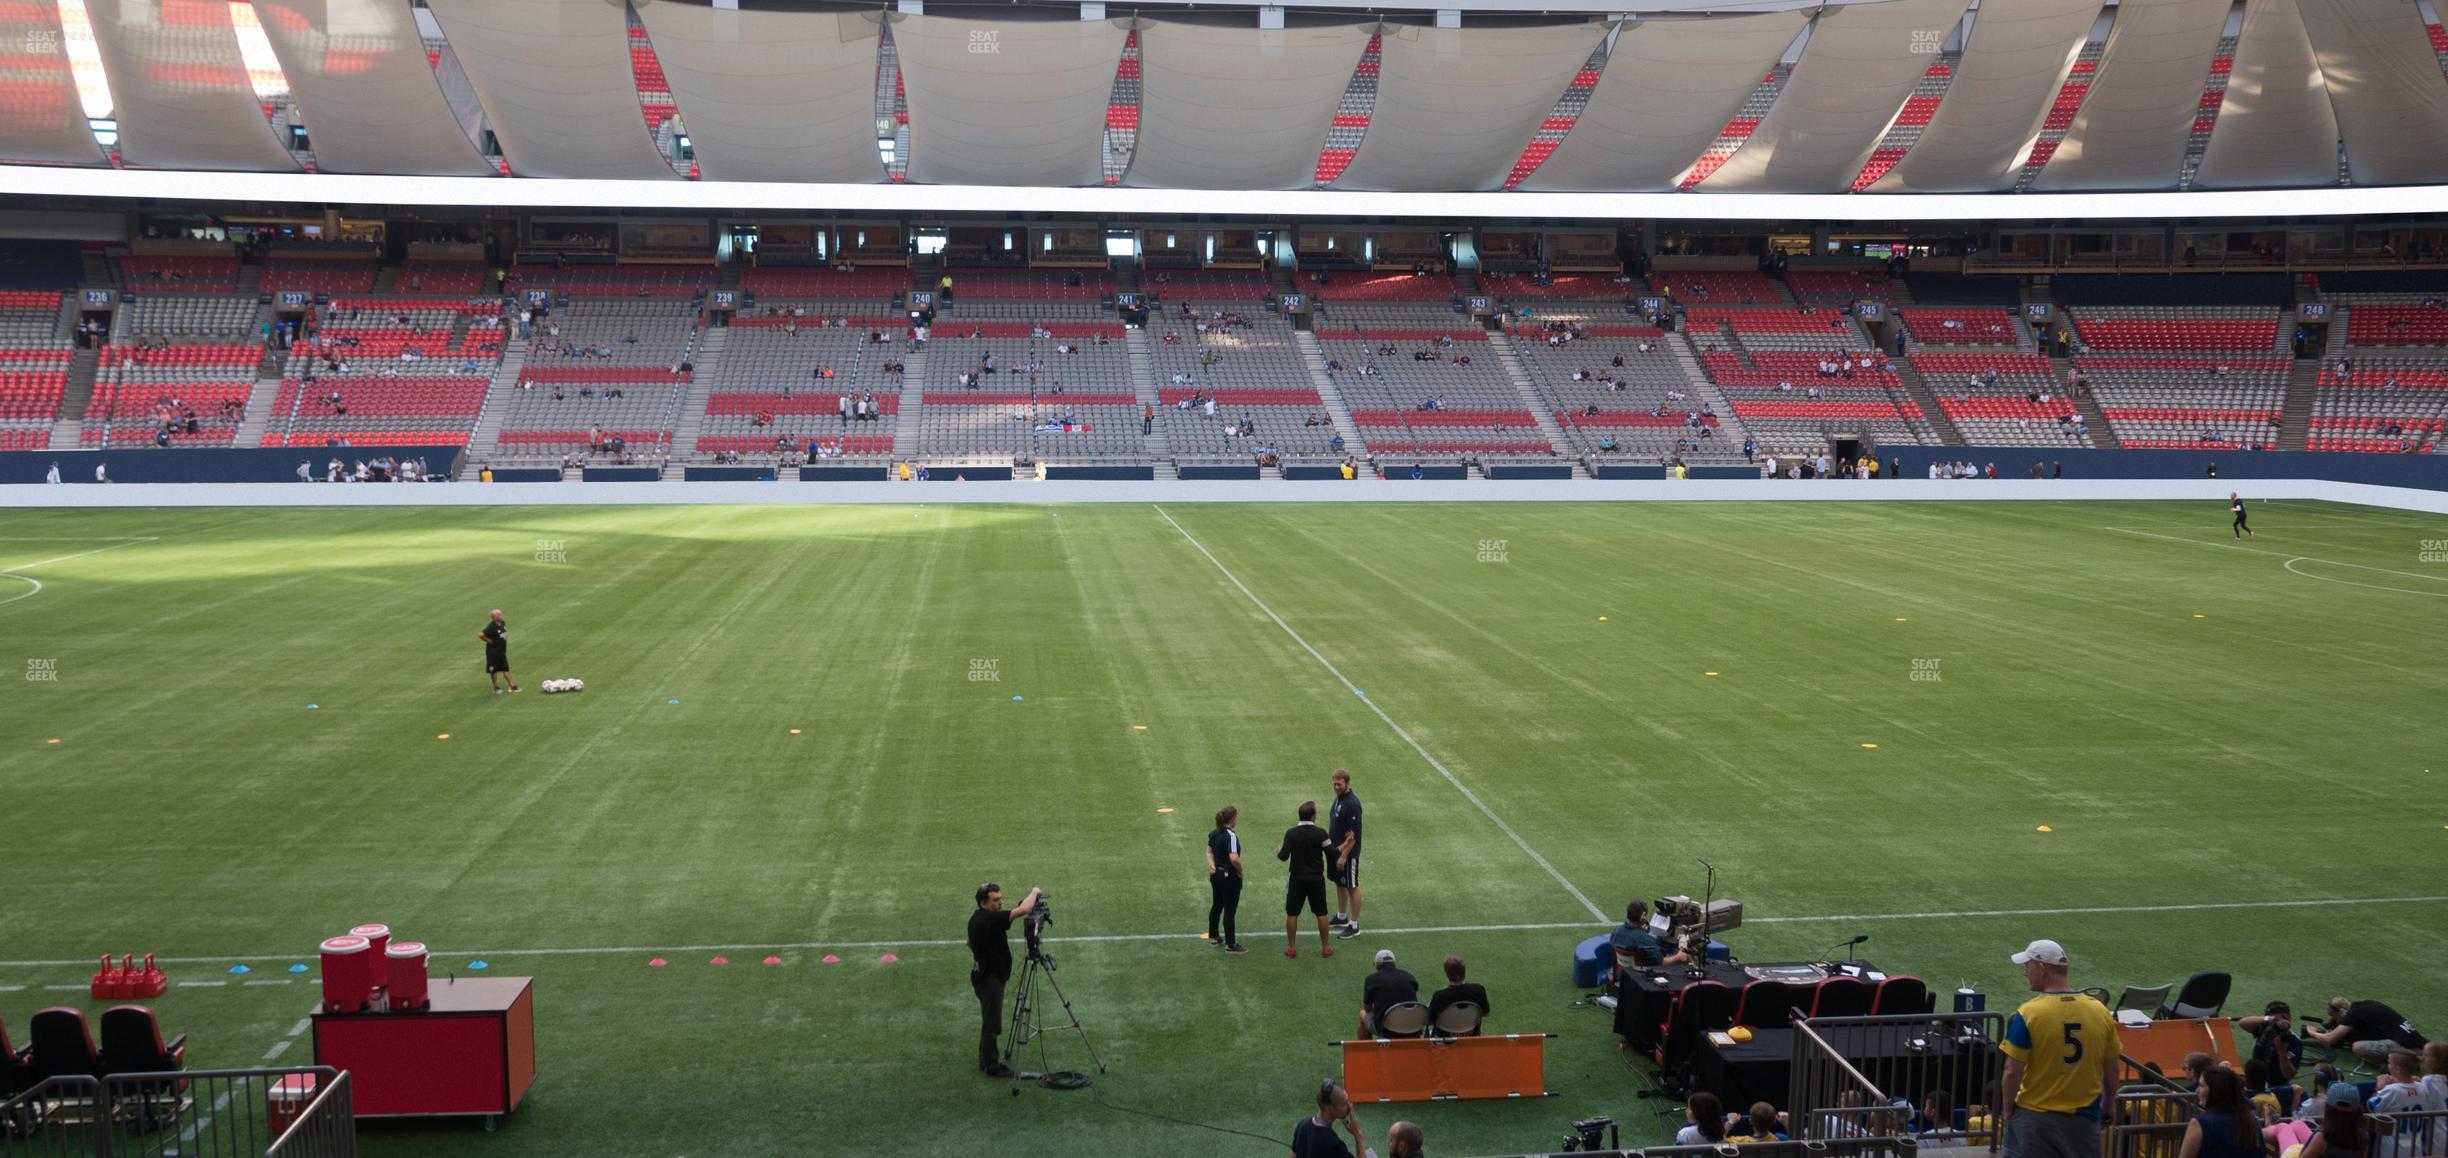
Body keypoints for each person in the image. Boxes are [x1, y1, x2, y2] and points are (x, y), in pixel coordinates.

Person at [1998, 938, 2119, 1158]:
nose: (2026, 972)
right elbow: (2111, 1067)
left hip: (2035, 1120)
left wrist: (2007, 1108)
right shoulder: (2099, 1011)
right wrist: (2109, 1103)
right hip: (2084, 1120)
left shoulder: (2029, 1014)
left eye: (2028, 966)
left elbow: (2011, 1071)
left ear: (2042, 968)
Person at [966, 882, 1040, 1078]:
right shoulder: (990, 919)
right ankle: (991, 1065)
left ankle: (984, 1058)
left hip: (983, 974)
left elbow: (969, 943)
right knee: (992, 1023)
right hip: (990, 979)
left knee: (989, 1019)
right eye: (995, 900)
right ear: (984, 903)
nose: (1000, 903)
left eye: (1000, 899)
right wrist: (1035, 891)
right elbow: (1024, 909)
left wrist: (983, 955)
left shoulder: (976, 917)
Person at [1277, 801, 1334, 958]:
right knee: (1321, 912)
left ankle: (1292, 948)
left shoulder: (1291, 833)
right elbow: (1331, 853)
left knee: (1292, 913)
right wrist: (1347, 844)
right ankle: (1325, 948)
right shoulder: (1321, 833)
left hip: (1297, 878)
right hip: (1316, 878)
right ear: (1313, 816)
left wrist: (1279, 850)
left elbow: (1283, 857)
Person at [2367, 1048, 2442, 1158]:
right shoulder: (2422, 1088)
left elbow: (2372, 1107)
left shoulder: (2392, 1090)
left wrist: (2380, 1086)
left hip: (2391, 1149)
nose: (2387, 1065)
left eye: (2389, 1062)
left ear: (2398, 1069)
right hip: (2415, 1148)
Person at [2309, 998, 2426, 1065]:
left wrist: (2313, 1033)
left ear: (2342, 1013)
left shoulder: (2353, 1014)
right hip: (2416, 1041)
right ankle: (2408, 1059)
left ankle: (2403, 1063)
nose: (2335, 1021)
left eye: (2334, 1017)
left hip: (2408, 1047)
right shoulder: (2365, 1005)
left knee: (2358, 1048)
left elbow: (2330, 1039)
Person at [2177, 1068, 2265, 1158]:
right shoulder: (2251, 1121)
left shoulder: (2199, 1123)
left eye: (2201, 1086)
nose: (2197, 1091)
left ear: (2215, 1090)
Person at [1291, 1078, 1374, 1158]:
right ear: (1330, 1109)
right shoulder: (1334, 1144)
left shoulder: (1302, 1125)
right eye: (1344, 1103)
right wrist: (1357, 1133)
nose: (1350, 1106)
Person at [1328, 769, 1364, 939]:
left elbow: (1353, 835)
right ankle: (1342, 917)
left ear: (1347, 784)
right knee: (1340, 883)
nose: (1336, 787)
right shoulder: (1340, 799)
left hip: (1348, 855)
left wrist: (1343, 856)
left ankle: (1354, 925)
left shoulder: (1352, 803)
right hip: (1337, 851)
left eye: (1339, 784)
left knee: (1352, 886)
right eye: (1334, 783)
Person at [1206, 806, 1247, 953]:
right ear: (1233, 818)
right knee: (1230, 909)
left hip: (1216, 875)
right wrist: (1240, 869)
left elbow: (1209, 852)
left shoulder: (1214, 833)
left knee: (1217, 905)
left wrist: (1212, 866)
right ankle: (1231, 944)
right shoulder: (1231, 836)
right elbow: (1234, 858)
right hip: (1229, 877)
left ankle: (1214, 936)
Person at [2300, 1083, 2374, 1158]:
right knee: (2298, 1124)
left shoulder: (2322, 1138)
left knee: (2293, 1126)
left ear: (2328, 1109)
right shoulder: (2364, 1137)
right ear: (2358, 1112)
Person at [1358, 948, 1420, 1038]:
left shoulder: (1371, 979)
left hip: (1387, 1029)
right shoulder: (1410, 977)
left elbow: (1367, 1009)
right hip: (1411, 1026)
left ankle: (1366, 1051)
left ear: (1376, 966)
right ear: (1394, 964)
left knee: (1362, 1014)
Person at [1610, 899, 1688, 968]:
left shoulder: (1616, 931)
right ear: (1643, 916)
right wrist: (1677, 957)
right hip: (1640, 977)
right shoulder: (1645, 940)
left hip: (1623, 975)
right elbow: (1660, 963)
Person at [2239, 1002, 2301, 1085]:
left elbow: (2289, 1075)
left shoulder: (2294, 1041)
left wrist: (2282, 1052)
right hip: (2254, 1080)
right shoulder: (2264, 1028)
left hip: (2276, 1086)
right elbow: (2242, 1023)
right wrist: (2270, 1019)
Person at [1425, 955, 1489, 1035]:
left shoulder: (1440, 996)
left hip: (1445, 1039)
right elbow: (1486, 1013)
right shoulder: (1479, 990)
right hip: (1470, 1036)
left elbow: (1430, 1021)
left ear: (1447, 973)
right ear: (1464, 971)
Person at [478, 609, 519, 694]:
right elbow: (481, 635)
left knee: (505, 668)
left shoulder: (502, 623)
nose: (502, 616)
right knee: (494, 670)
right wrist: (489, 641)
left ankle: (512, 686)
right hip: (493, 652)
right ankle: (497, 687)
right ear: (495, 617)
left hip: (501, 650)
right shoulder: (491, 627)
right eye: (499, 615)